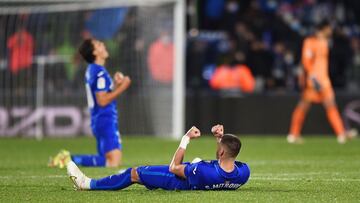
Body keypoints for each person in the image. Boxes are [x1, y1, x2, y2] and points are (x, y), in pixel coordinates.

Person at [66, 125, 250, 191]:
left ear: (222, 152)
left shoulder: (202, 170)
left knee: (135, 173)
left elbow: (173, 167)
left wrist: (186, 138)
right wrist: (220, 139)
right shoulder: (243, 173)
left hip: (178, 181)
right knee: (146, 174)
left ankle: (87, 184)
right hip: (195, 175)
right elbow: (221, 162)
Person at [49, 39, 131, 168]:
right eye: (99, 44)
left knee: (109, 160)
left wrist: (115, 85)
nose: (103, 45)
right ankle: (70, 159)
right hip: (105, 119)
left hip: (99, 119)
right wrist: (123, 87)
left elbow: (102, 94)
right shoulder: (99, 72)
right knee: (113, 162)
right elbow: (102, 100)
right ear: (94, 52)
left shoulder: (93, 70)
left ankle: (69, 158)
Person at [287, 21, 353, 144]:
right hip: (316, 80)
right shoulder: (310, 42)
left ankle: (340, 134)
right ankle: (293, 134)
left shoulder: (324, 42)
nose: (331, 31)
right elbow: (306, 61)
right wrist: (312, 77)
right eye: (329, 28)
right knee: (307, 106)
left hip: (323, 80)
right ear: (323, 28)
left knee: (326, 106)